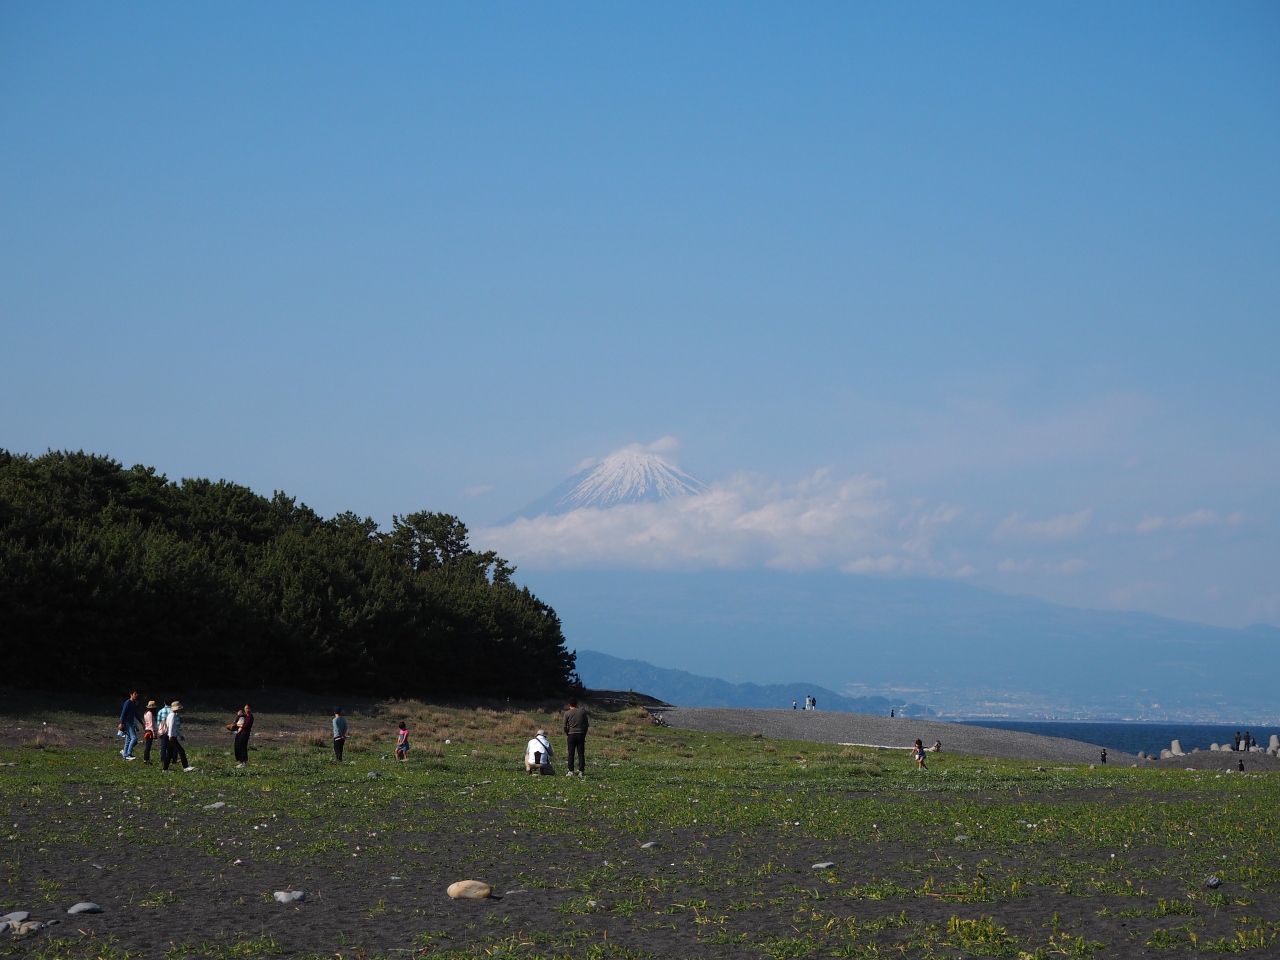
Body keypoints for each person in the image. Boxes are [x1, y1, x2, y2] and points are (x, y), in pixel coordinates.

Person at [164, 701, 193, 772]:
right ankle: (185, 766)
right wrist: (171, 736)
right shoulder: (173, 715)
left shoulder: (170, 715)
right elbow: (171, 727)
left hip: (169, 736)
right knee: (181, 751)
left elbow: (174, 728)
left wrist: (180, 735)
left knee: (169, 753)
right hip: (172, 737)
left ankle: (165, 769)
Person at [563, 697, 589, 776]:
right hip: (581, 734)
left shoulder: (567, 713)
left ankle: (571, 770)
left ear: (569, 705)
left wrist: (567, 733)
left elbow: (564, 726)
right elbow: (586, 725)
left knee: (571, 753)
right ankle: (581, 771)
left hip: (571, 734)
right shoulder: (582, 712)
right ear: (576, 704)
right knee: (581, 753)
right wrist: (584, 733)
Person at [118, 691, 141, 761]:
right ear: (131, 694)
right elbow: (123, 713)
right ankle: (128, 754)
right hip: (127, 723)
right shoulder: (127, 703)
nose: (136, 695)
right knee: (133, 738)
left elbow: (136, 714)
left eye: (137, 694)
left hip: (131, 723)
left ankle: (125, 756)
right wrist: (121, 723)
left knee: (128, 740)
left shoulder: (133, 704)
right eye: (135, 694)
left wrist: (142, 723)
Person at [156, 699, 172, 769]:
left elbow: (158, 722)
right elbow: (177, 722)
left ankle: (163, 759)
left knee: (163, 746)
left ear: (164, 702)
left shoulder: (160, 711)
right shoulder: (173, 711)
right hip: (171, 730)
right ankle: (173, 759)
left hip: (163, 731)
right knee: (172, 745)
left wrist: (159, 730)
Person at [141, 700, 158, 764]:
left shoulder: (146, 713)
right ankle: (146, 759)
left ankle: (146, 759)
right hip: (150, 730)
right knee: (148, 746)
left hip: (147, 729)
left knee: (147, 745)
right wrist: (153, 733)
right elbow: (151, 724)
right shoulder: (150, 713)